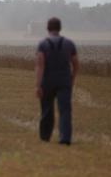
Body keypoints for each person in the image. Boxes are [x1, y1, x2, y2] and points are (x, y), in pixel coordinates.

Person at [35, 17, 79, 145]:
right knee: (65, 110)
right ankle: (65, 138)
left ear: (48, 28)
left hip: (47, 81)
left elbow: (40, 65)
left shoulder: (43, 44)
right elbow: (76, 64)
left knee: (47, 109)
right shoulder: (69, 44)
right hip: (64, 81)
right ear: (60, 28)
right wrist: (71, 79)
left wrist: (38, 85)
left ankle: (45, 136)